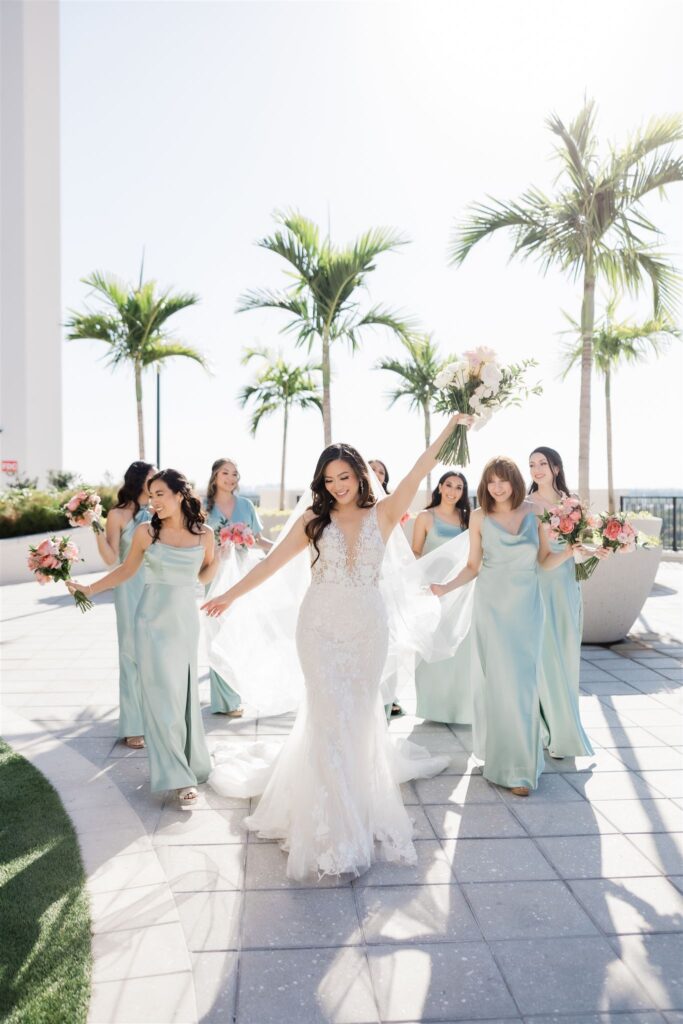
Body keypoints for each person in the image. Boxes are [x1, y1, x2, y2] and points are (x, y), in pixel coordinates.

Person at [203, 414, 472, 879]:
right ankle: (329, 823)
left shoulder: (383, 513)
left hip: (367, 628)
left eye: (344, 477)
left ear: (360, 475)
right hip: (319, 628)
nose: (337, 486)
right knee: (327, 717)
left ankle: (353, 807)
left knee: (358, 718)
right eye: (329, 480)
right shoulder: (313, 520)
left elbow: (419, 468)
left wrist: (452, 426)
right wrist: (229, 595)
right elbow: (269, 564)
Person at [431, 456, 588, 797]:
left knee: (525, 685)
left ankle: (524, 765)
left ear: (515, 481)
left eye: (503, 480)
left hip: (527, 609)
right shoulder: (478, 517)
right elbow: (472, 567)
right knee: (502, 685)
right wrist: (445, 587)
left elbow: (544, 561)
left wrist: (569, 552)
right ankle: (510, 767)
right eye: (491, 481)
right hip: (492, 610)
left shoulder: (535, 512)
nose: (497, 487)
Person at [68, 469, 216, 810]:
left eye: (160, 494)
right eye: (151, 495)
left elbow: (206, 572)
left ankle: (188, 762)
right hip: (150, 621)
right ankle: (178, 777)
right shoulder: (146, 532)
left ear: (180, 495)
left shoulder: (205, 534)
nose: (154, 501)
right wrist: (89, 588)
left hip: (184, 623)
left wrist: (218, 562)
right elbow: (125, 570)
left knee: (183, 696)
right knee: (161, 699)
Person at [528, 446, 599, 758]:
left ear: (556, 467)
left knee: (567, 655)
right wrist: (568, 551)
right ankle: (550, 732)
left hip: (568, 584)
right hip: (541, 584)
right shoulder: (527, 504)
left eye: (542, 463)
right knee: (546, 659)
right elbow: (535, 554)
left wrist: (597, 551)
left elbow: (582, 546)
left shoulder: (573, 502)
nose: (537, 469)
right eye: (532, 464)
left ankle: (565, 728)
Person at [94, 460, 156, 749]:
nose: (157, 482)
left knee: (156, 656)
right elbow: (110, 559)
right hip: (129, 589)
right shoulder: (117, 514)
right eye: (152, 477)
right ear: (139, 480)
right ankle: (133, 726)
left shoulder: (160, 511)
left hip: (158, 587)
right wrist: (95, 526)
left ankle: (156, 720)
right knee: (131, 655)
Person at [203, 458, 272, 716]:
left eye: (234, 474)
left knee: (239, 633)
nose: (231, 478)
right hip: (215, 575)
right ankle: (225, 701)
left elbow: (258, 539)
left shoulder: (245, 505)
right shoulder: (203, 507)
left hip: (241, 576)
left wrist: (279, 549)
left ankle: (237, 692)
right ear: (215, 476)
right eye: (225, 473)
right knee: (217, 633)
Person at [412, 472, 473, 725]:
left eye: (459, 487)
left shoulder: (468, 518)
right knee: (431, 649)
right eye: (449, 485)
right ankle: (433, 707)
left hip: (460, 590)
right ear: (439, 487)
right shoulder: (425, 517)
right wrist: (421, 584)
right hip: (432, 590)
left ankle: (459, 709)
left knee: (460, 649)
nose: (453, 491)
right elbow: (416, 552)